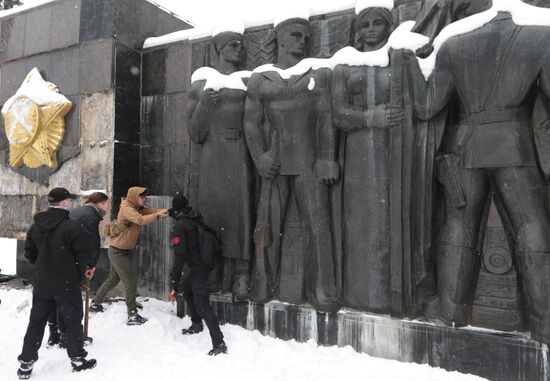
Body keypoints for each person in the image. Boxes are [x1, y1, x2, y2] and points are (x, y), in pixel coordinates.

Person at [407, 0, 550, 343]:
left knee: (459, 227)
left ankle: (452, 308)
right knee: (531, 226)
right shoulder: (541, 37)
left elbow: (426, 106)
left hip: (464, 145)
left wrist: (408, 64)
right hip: (514, 144)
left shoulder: (454, 44)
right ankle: (545, 318)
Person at [243, 15, 340, 311]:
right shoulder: (261, 78)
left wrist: (326, 158)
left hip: (309, 161)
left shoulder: (317, 74)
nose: (302, 40)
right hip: (273, 162)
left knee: (318, 226)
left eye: (305, 36)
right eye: (296, 35)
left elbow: (326, 120)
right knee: (266, 228)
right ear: (280, 39)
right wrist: (260, 156)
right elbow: (250, 122)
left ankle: (323, 288)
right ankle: (262, 282)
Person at [187, 25, 254, 299]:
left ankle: (240, 272)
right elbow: (194, 133)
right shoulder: (202, 82)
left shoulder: (248, 80)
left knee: (240, 216)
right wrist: (204, 104)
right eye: (232, 45)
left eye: (240, 44)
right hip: (212, 157)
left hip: (240, 155)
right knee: (213, 216)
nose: (238, 49)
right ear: (218, 49)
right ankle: (212, 268)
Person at [17, 187, 96, 379]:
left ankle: (26, 364)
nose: (70, 203)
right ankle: (77, 359)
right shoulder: (72, 226)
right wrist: (82, 271)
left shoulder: (36, 226)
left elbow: (29, 253)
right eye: (69, 200)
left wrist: (44, 267)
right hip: (66, 283)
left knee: (36, 322)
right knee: (72, 320)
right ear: (64, 203)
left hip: (43, 283)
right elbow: (83, 255)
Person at [90, 186, 168, 325]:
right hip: (117, 251)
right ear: (134, 197)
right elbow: (139, 219)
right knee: (130, 281)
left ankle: (96, 303)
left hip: (124, 249)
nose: (144, 199)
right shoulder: (127, 208)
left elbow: (150, 211)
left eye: (144, 197)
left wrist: (165, 212)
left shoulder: (137, 206)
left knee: (113, 279)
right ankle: (132, 315)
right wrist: (157, 215)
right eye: (141, 197)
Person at [46, 191, 110, 347]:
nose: (108, 207)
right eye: (107, 203)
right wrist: (91, 265)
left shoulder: (79, 211)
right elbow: (92, 243)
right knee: (70, 301)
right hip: (71, 262)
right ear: (100, 204)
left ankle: (55, 334)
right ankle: (67, 337)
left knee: (58, 298)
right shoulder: (91, 216)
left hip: (56, 258)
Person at [168, 193, 227, 356]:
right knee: (186, 289)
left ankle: (219, 342)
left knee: (202, 304)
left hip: (198, 267)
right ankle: (196, 323)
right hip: (204, 262)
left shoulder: (180, 226)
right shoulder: (194, 216)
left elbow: (179, 256)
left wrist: (174, 278)